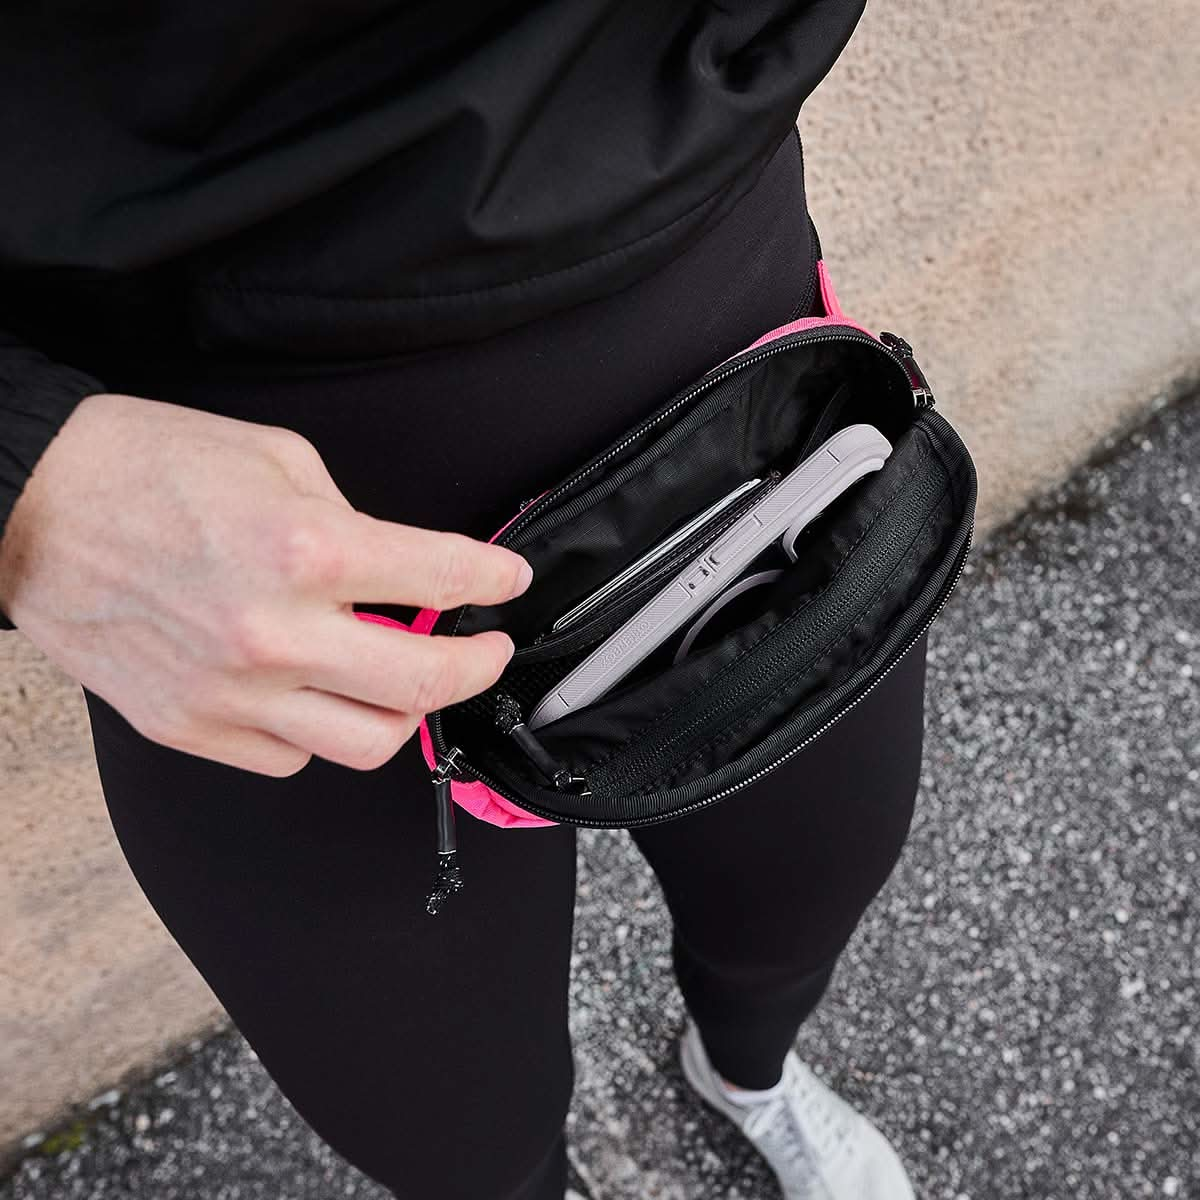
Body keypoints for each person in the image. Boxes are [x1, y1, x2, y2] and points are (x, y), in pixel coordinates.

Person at [0, 5, 927, 1198]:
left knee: (807, 892)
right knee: (456, 1136)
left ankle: (742, 1075)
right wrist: (21, 479)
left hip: (734, 361)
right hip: (267, 553)